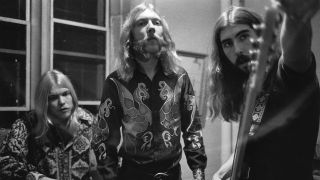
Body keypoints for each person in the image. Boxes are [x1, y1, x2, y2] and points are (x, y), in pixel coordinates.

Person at [208, 0, 320, 180]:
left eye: (243, 36)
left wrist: (296, 18)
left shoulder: (285, 72)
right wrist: (221, 173)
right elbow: (251, 145)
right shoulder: (251, 88)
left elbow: (296, 52)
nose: (237, 49)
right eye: (227, 43)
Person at [97, 3, 207, 180]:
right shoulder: (115, 81)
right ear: (130, 36)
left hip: (172, 174)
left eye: (156, 22)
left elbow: (192, 128)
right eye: (141, 23)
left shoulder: (180, 77)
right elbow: (104, 138)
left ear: (164, 34)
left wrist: (199, 172)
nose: (150, 28)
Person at [0, 70, 108, 180]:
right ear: (43, 102)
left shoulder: (90, 122)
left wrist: (97, 171)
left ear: (72, 95)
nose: (61, 101)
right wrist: (37, 178)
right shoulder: (26, 124)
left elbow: (108, 162)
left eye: (65, 94)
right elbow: (5, 163)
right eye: (53, 97)